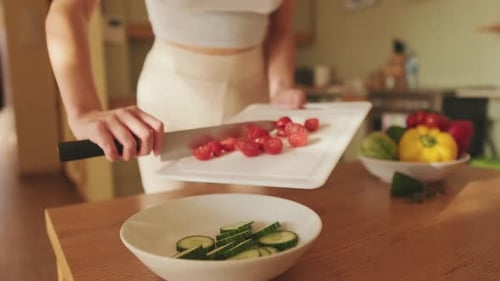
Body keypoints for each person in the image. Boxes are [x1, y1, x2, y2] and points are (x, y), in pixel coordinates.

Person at [45, 0, 306, 194]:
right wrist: (84, 111)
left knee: (257, 224)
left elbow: (281, 29)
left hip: (254, 103)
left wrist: (281, 87)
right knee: (177, 229)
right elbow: (68, 10)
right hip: (170, 105)